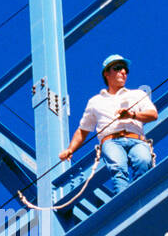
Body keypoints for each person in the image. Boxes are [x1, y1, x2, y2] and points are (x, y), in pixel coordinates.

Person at [59, 54, 158, 196]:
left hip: (136, 139)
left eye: (125, 69)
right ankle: (124, 204)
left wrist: (132, 115)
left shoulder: (137, 94)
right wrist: (70, 149)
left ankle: (140, 198)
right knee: (118, 169)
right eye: (118, 68)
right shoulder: (95, 101)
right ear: (106, 73)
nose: (123, 72)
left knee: (143, 162)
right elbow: (83, 130)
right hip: (111, 141)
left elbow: (153, 115)